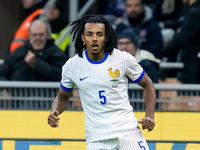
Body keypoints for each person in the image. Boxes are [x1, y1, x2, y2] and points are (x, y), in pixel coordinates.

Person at [48, 14, 156, 150]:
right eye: (89, 34)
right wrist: (54, 111)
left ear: (106, 38)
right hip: (97, 138)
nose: (94, 39)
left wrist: (150, 116)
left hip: (128, 132)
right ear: (83, 38)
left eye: (99, 34)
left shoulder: (123, 59)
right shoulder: (72, 66)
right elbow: (62, 97)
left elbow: (148, 84)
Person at [0, 19, 67, 81]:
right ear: (29, 35)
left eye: (41, 35)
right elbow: (3, 73)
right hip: (17, 93)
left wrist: (36, 64)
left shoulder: (57, 54)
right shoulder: (18, 53)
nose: (37, 38)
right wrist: (5, 90)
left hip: (46, 93)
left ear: (48, 35)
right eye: (34, 35)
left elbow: (61, 75)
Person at [156, 0, 200, 83]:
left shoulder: (195, 12)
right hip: (193, 62)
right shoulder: (193, 11)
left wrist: (159, 53)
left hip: (195, 64)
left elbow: (181, 40)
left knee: (192, 93)